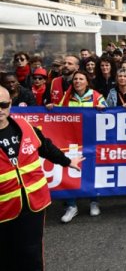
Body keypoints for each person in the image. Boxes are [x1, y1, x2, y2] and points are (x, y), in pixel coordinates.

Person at [0, 86, 84, 271]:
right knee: (5, 255)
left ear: (10, 105)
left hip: (33, 205)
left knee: (31, 254)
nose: (0, 109)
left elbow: (45, 147)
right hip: (3, 209)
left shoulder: (23, 125)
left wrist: (68, 161)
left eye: (3, 104)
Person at [58, 70, 107, 223]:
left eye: (81, 79)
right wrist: (51, 107)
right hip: (72, 140)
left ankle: (94, 202)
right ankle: (71, 206)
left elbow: (109, 114)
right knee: (71, 171)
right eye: (75, 79)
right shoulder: (67, 96)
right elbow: (57, 114)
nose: (77, 81)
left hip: (92, 140)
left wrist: (102, 109)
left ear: (87, 81)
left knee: (91, 171)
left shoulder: (97, 96)